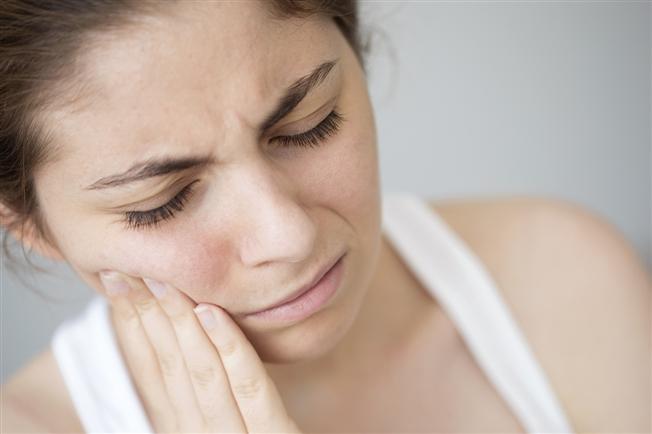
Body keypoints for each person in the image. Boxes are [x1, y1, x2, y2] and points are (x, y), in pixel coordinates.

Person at [1, 1, 649, 433]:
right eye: (162, 201)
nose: (290, 234)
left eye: (310, 124)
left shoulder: (559, 277)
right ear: (32, 227)